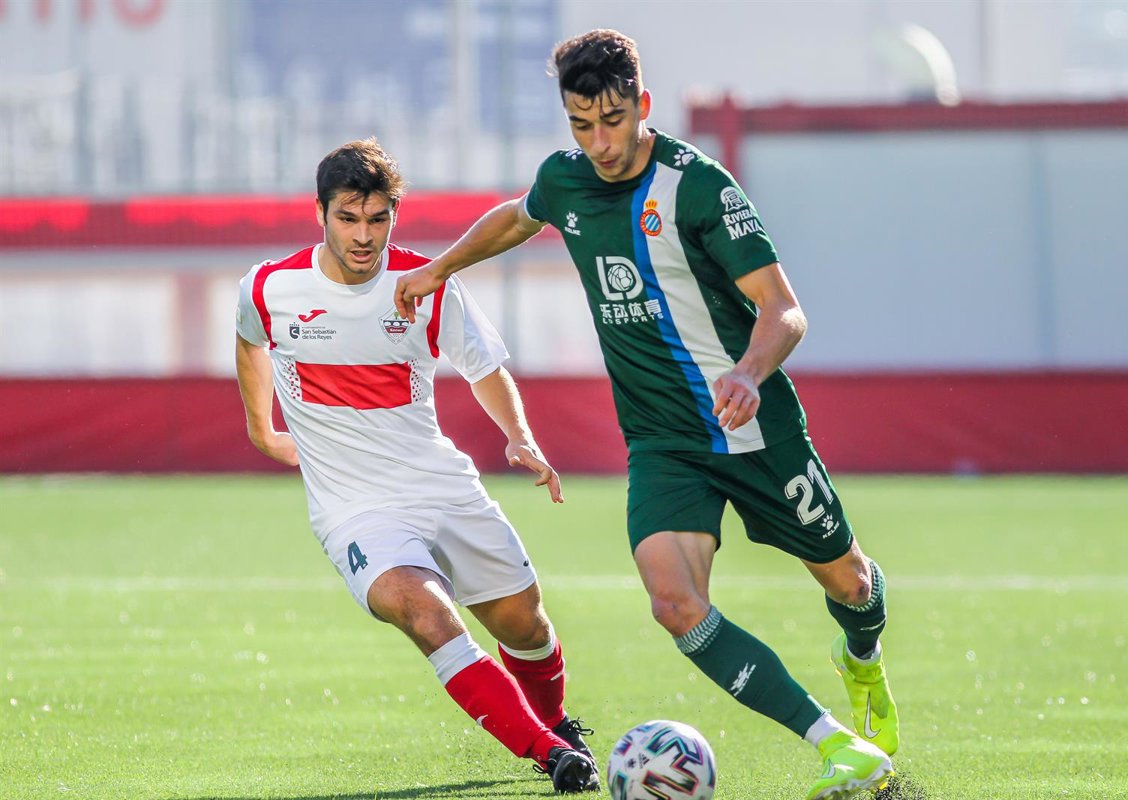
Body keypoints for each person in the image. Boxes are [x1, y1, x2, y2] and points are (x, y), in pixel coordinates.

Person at [394, 30, 898, 800]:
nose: (599, 142)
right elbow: (520, 216)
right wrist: (441, 267)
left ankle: (861, 658)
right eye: (581, 125)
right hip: (664, 442)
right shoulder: (564, 180)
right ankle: (837, 746)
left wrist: (749, 371)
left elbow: (783, 309)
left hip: (753, 428)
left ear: (643, 106)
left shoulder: (698, 188)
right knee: (674, 603)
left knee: (852, 584)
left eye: (613, 121)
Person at [234, 138, 599, 793]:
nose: (363, 235)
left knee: (526, 625)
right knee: (428, 615)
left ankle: (555, 724)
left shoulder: (426, 284)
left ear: (394, 216)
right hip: (356, 511)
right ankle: (550, 754)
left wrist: (519, 437)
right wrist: (262, 429)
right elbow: (249, 339)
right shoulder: (270, 288)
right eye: (348, 218)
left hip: (441, 487)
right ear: (320, 213)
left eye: (378, 219)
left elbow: (484, 366)